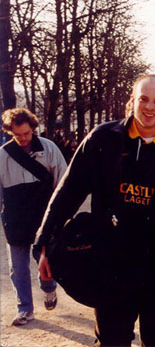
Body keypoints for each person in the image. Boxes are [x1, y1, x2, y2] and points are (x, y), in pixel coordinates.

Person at [35, 74, 155, 346]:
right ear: (132, 101)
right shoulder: (102, 140)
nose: (149, 107)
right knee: (111, 340)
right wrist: (44, 242)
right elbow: (68, 193)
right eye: (143, 99)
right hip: (111, 263)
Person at [0, 108, 67, 326]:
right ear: (9, 132)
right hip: (16, 217)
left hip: (44, 216)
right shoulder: (3, 155)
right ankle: (24, 309)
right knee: (18, 269)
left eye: (26, 133)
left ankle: (49, 289)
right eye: (17, 135)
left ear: (33, 129)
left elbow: (63, 182)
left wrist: (61, 215)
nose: (22, 139)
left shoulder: (49, 148)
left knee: (46, 263)